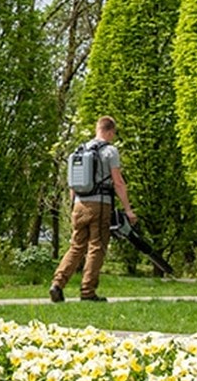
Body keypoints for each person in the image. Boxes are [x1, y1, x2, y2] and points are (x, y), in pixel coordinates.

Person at [49, 116, 136, 303]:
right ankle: (88, 291)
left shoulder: (79, 151)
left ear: (97, 128)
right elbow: (118, 182)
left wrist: (74, 206)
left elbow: (73, 184)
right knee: (97, 246)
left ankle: (57, 284)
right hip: (100, 204)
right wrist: (128, 210)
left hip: (79, 204)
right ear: (110, 131)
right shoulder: (110, 151)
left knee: (76, 246)